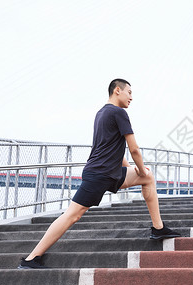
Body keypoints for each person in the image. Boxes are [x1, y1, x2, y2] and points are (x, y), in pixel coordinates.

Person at [18, 79, 180, 269]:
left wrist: (133, 171)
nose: (131, 97)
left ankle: (158, 228)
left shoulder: (101, 113)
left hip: (108, 172)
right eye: (129, 92)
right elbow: (134, 149)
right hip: (99, 174)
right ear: (117, 90)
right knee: (72, 215)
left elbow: (111, 147)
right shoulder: (120, 113)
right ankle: (31, 258)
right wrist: (141, 167)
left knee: (147, 178)